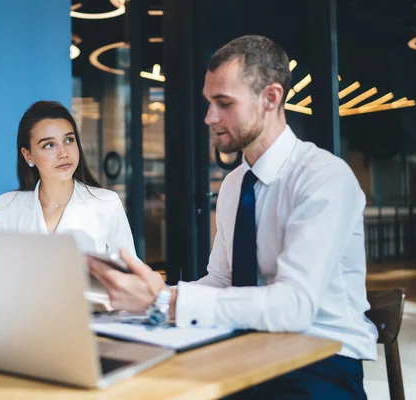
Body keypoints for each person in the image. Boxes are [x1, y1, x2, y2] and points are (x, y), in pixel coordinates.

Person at [88, 35, 378, 398]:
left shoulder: (324, 178)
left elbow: (295, 306)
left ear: (271, 98)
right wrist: (155, 292)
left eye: (224, 103)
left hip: (322, 360)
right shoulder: (234, 185)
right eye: (209, 103)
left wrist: (164, 301)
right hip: (247, 350)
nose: (210, 117)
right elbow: (222, 280)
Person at [0, 100, 136, 257]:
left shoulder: (107, 204)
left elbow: (131, 272)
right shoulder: (9, 207)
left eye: (69, 140)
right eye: (49, 145)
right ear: (28, 155)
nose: (64, 153)